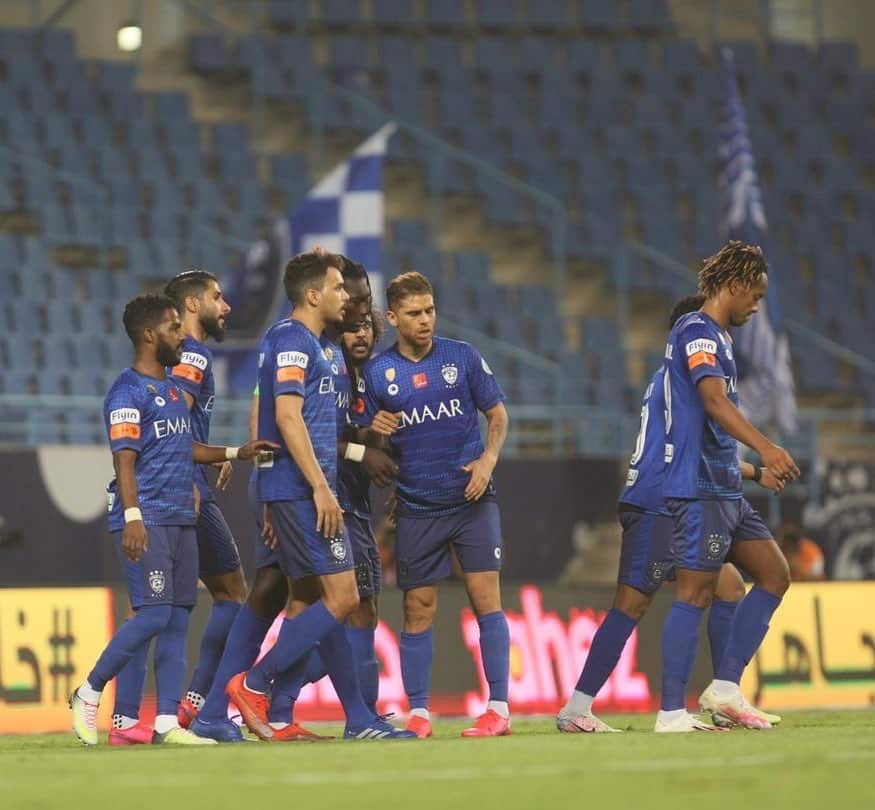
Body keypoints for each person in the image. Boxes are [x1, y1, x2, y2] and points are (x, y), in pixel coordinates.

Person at [556, 295, 784, 734]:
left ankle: (726, 694)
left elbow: (703, 452)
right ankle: (578, 708)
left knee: (730, 586)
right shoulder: (685, 383)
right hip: (659, 500)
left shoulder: (671, 380)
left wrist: (755, 472)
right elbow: (684, 451)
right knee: (632, 603)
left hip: (686, 493)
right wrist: (759, 464)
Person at [69, 294, 276, 746]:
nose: (182, 335)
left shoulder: (171, 392)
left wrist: (234, 452)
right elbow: (124, 460)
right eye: (173, 328)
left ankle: (166, 721)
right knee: (153, 614)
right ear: (150, 335)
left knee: (179, 617)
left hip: (182, 515)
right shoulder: (126, 392)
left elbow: (184, 447)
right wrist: (132, 517)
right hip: (148, 516)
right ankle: (89, 690)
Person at [225, 250, 414, 741]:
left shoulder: (322, 347)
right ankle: (253, 684)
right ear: (312, 295)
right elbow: (286, 418)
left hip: (307, 490)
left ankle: (353, 718)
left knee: (329, 599)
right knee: (342, 596)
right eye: (337, 287)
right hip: (298, 490)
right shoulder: (290, 340)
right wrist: (320, 488)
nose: (345, 296)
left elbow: (320, 423)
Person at [357, 271, 512, 738]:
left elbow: (497, 414)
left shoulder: (462, 357)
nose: (425, 320)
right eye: (414, 313)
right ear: (392, 317)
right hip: (417, 507)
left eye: (429, 310)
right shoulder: (377, 373)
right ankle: (420, 714)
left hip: (471, 501)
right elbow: (369, 445)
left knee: (486, 601)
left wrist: (487, 460)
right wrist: (373, 432)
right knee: (417, 608)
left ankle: (498, 709)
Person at [656, 241, 799, 733]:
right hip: (698, 488)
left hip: (725, 486)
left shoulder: (719, 337)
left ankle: (725, 689)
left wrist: (752, 471)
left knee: (774, 573)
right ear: (734, 286)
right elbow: (714, 403)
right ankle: (671, 712)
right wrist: (766, 448)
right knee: (694, 593)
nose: (756, 307)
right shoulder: (696, 331)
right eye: (754, 296)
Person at [109, 270, 245, 742]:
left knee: (151, 606)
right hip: (180, 491)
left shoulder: (177, 359)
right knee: (230, 594)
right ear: (191, 305)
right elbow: (172, 424)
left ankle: (129, 717)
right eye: (216, 297)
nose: (225, 306)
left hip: (179, 484)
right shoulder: (194, 356)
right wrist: (188, 478)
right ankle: (197, 705)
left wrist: (222, 453)